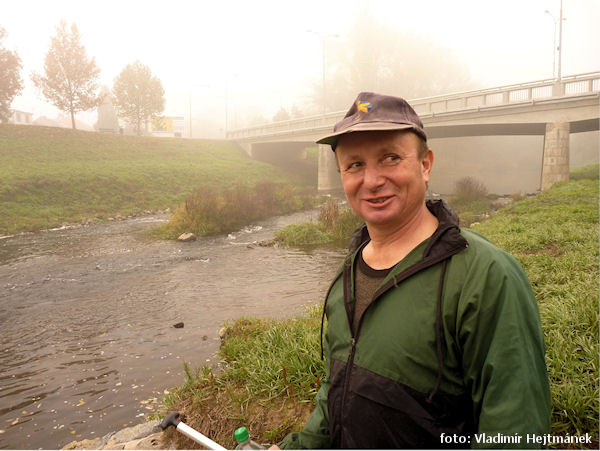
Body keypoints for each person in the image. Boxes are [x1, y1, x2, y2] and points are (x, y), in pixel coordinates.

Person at [274, 92, 551, 449]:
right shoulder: (349, 273)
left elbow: (515, 432)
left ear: (425, 164)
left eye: (390, 158)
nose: (371, 180)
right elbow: (335, 394)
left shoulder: (485, 276)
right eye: (354, 165)